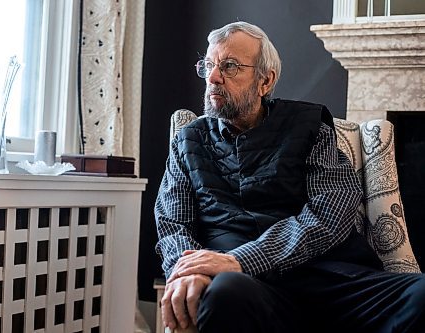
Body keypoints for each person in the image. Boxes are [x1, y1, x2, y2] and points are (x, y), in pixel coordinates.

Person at [154, 21, 425, 333]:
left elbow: (331, 211)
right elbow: (173, 225)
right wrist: (189, 270)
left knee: (420, 296)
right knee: (225, 293)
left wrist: (242, 258)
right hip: (248, 289)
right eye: (210, 66)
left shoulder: (308, 126)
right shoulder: (188, 141)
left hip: (327, 279)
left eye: (229, 66)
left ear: (265, 81)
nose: (214, 78)